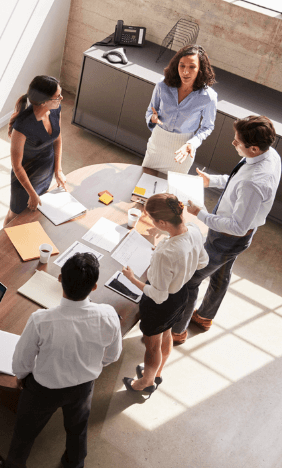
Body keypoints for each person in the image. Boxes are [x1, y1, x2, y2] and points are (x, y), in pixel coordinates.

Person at [0, 253, 121, 468]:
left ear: (60, 279)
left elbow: (22, 360)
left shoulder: (41, 320)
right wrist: (89, 366)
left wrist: (22, 377)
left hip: (42, 390)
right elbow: (112, 356)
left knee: (25, 433)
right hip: (83, 387)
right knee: (78, 429)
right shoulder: (109, 315)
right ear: (94, 287)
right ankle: (74, 464)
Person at [172, 115, 281, 344]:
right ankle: (204, 317)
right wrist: (210, 181)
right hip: (232, 238)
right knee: (221, 273)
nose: (233, 143)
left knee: (191, 279)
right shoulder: (269, 154)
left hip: (227, 238)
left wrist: (200, 214)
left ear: (253, 148)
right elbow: (236, 181)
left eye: (237, 142)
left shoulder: (254, 182)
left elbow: (238, 226)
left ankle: (178, 331)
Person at [120, 194, 208, 393]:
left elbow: (158, 295)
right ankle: (157, 373)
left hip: (160, 304)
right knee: (166, 333)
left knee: (152, 346)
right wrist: (180, 268)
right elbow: (203, 261)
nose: (151, 222)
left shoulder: (164, 254)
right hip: (181, 296)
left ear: (161, 222)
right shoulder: (193, 231)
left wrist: (132, 279)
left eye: (151, 218)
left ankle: (145, 383)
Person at [143, 45, 217, 174]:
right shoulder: (162, 85)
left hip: (183, 148)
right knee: (143, 186)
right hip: (157, 142)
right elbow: (150, 110)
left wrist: (192, 144)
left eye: (192, 67)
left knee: (171, 192)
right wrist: (152, 118)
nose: (185, 72)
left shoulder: (208, 97)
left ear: (200, 69)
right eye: (182, 65)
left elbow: (207, 127)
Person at [4, 75, 67, 226]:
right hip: (25, 180)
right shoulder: (22, 126)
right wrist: (31, 193)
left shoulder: (55, 109)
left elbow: (57, 139)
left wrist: (58, 170)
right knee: (15, 215)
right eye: (57, 96)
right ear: (44, 101)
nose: (61, 98)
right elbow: (17, 166)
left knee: (34, 215)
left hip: (46, 172)